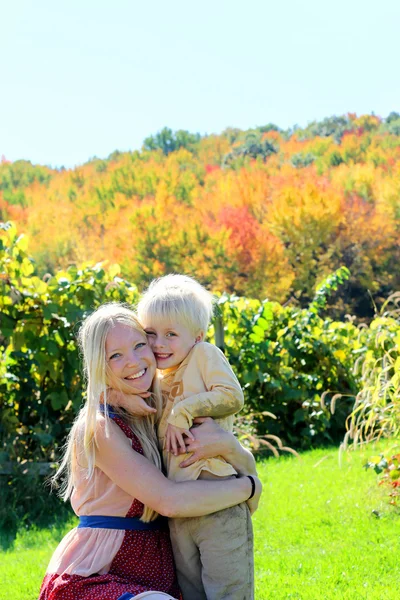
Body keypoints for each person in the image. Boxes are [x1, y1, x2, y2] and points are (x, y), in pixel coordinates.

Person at [39, 303, 261, 600]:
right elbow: (168, 501)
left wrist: (232, 449)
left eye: (139, 345)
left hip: (162, 565)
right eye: (115, 355)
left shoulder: (157, 406)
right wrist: (248, 486)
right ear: (99, 365)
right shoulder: (100, 427)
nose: (133, 361)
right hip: (100, 572)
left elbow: (227, 445)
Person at [136, 274, 255, 600]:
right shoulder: (157, 378)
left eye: (171, 334)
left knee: (227, 591)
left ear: (197, 336)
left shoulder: (203, 355)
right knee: (191, 592)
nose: (159, 343)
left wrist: (184, 411)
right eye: (151, 334)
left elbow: (232, 396)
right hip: (180, 509)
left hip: (219, 503)